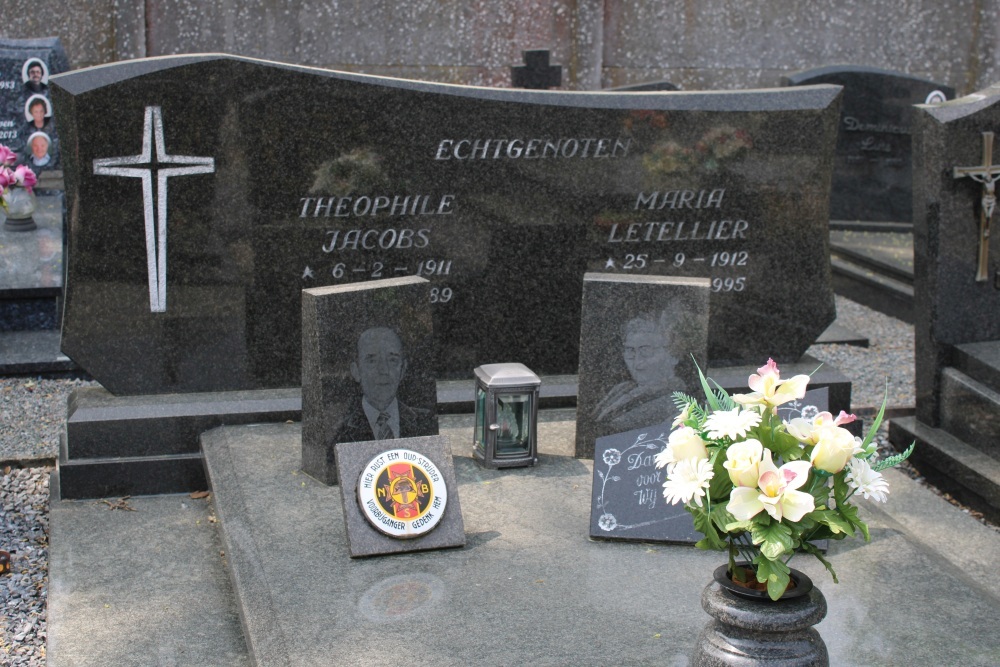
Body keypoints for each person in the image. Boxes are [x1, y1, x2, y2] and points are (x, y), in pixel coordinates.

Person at [332, 327, 434, 443]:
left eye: (392, 360)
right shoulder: (338, 431)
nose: (383, 370)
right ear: (356, 371)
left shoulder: (427, 421)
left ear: (403, 370)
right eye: (372, 361)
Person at [592, 311, 681, 432]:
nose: (637, 360)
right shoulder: (620, 389)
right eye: (630, 350)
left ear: (672, 355)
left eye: (646, 350)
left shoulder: (676, 402)